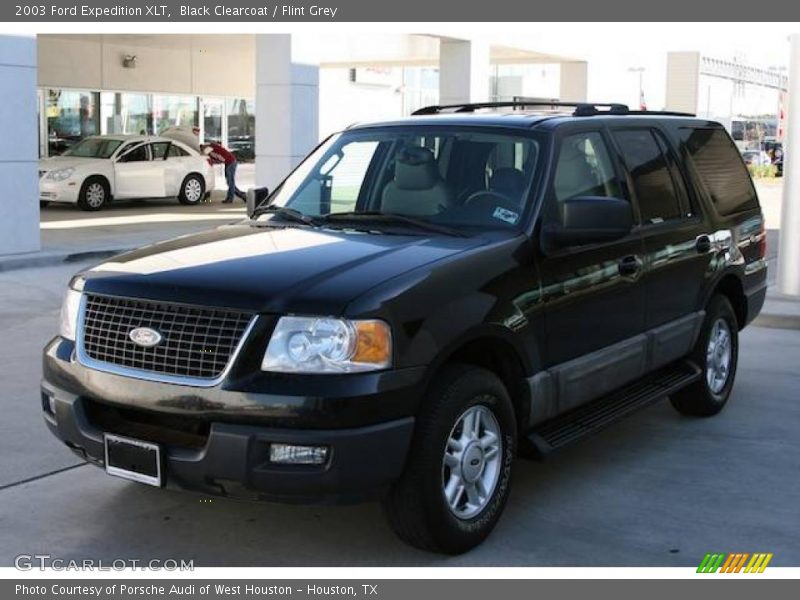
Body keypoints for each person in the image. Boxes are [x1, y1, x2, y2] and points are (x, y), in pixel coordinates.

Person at [203, 138, 245, 203]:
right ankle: (241, 195)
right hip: (229, 162)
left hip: (231, 162)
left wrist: (211, 160)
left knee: (230, 182)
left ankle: (231, 198)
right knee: (230, 182)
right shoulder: (213, 148)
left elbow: (215, 157)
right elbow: (218, 158)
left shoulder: (211, 148)